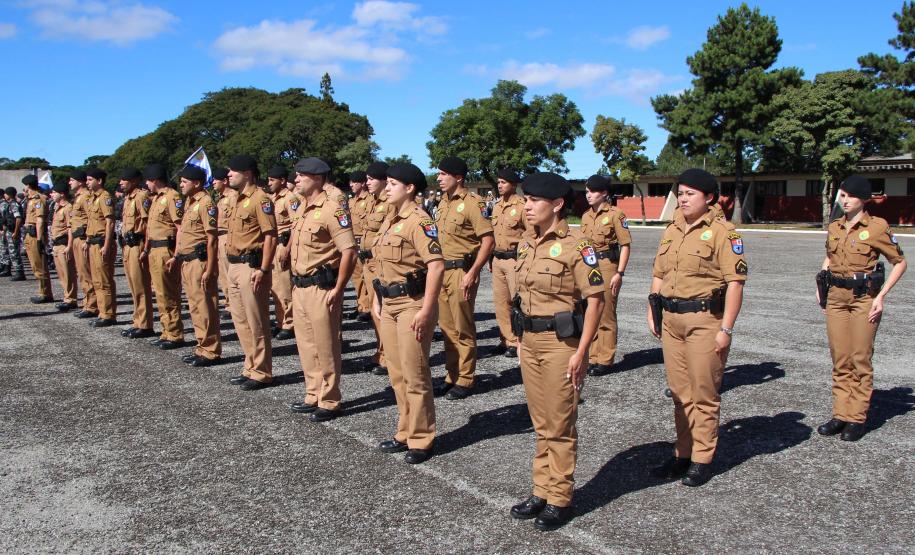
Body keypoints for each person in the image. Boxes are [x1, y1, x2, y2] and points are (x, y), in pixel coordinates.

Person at [508, 172, 604, 531]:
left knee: (560, 422)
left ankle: (560, 497)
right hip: (529, 342)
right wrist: (519, 339)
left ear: (557, 204)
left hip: (561, 345)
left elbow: (595, 302)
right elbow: (522, 299)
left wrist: (583, 352)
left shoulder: (577, 246)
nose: (526, 206)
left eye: (533, 201)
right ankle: (541, 489)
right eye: (525, 200)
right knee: (540, 421)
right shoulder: (525, 243)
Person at [648, 168, 747, 487]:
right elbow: (660, 273)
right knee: (679, 393)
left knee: (704, 392)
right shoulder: (672, 229)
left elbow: (735, 284)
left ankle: (702, 459)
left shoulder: (724, 233)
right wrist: (653, 306)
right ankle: (682, 453)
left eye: (691, 193)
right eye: (681, 192)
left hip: (706, 321)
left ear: (709, 198)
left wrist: (726, 329)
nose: (683, 198)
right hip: (672, 320)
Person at [816, 175, 907, 442]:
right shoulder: (835, 227)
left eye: (851, 196)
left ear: (863, 200)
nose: (845, 200)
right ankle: (840, 414)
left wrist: (882, 296)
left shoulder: (877, 227)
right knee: (840, 358)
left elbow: (899, 262)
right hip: (836, 298)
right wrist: (822, 285)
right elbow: (830, 258)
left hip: (863, 298)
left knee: (860, 359)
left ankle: (856, 418)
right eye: (842, 195)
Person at [369, 163, 444, 464]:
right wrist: (377, 298)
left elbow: (436, 265)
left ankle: (422, 438)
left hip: (412, 304)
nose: (386, 188)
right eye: (386, 183)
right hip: (389, 304)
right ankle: (404, 430)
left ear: (410, 188)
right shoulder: (391, 219)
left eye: (391, 183)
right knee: (397, 373)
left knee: (415, 373)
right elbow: (382, 266)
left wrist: (427, 309)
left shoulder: (419, 221)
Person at [287, 157, 357, 422]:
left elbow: (349, 251)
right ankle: (313, 393)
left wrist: (339, 289)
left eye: (300, 176)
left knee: (326, 346)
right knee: (306, 345)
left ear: (316, 178)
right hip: (300, 287)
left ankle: (330, 400)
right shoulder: (303, 208)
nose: (296, 180)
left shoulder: (332, 210)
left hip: (320, 287)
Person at [433, 156, 494, 400]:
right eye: (438, 174)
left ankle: (466, 378)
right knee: (447, 329)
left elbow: (488, 240)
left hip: (461, 272)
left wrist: (473, 272)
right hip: (442, 272)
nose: (439, 178)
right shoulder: (442, 203)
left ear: (458, 177)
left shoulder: (472, 203)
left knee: (463, 328)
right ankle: (452, 375)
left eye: (443, 174)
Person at [224, 155, 278, 391]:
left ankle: (262, 371)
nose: (228, 176)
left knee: (256, 321)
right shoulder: (236, 199)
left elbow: (270, 236)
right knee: (240, 320)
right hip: (233, 265)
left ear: (247, 174)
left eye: (232, 172)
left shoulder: (260, 199)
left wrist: (264, 269)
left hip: (251, 266)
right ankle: (250, 366)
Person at [580, 175, 632, 375]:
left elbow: (625, 245)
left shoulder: (615, 215)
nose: (588, 195)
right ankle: (592, 356)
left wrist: (619, 273)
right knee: (590, 312)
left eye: (592, 191)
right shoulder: (585, 216)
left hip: (608, 266)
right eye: (586, 191)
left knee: (607, 314)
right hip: (589, 266)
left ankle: (605, 359)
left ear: (604, 193)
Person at [172, 165, 222, 367]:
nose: (181, 185)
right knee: (195, 306)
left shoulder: (206, 203)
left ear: (197, 183)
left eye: (184, 182)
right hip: (187, 261)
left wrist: (210, 268)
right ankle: (201, 346)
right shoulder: (189, 203)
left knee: (205, 306)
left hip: (200, 262)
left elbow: (212, 239)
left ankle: (210, 350)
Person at [143, 164, 185, 349]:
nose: (146, 184)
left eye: (148, 181)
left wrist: (176, 255)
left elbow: (180, 227)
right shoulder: (155, 199)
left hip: (165, 250)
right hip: (154, 249)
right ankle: (166, 331)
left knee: (169, 293)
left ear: (155, 180)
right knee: (159, 293)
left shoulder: (172, 197)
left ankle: (175, 334)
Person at [489, 168, 527, 358]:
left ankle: (520, 341)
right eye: (498, 182)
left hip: (514, 260)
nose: (500, 185)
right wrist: (490, 258)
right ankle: (506, 340)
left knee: (517, 302)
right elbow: (493, 235)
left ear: (513, 184)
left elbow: (530, 235)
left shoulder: (522, 206)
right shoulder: (496, 206)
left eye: (503, 182)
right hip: (498, 259)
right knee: (500, 303)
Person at [358, 161, 390, 375]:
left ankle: (388, 356)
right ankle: (380, 351)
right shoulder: (373, 201)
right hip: (367, 264)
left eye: (371, 179)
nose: (367, 183)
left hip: (379, 264)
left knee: (383, 311)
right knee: (373, 311)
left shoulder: (389, 203)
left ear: (383, 181)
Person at [118, 167, 155, 339]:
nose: (120, 183)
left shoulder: (141, 196)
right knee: (133, 286)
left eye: (123, 180)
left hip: (138, 244)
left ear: (133, 181)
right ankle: (138, 321)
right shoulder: (128, 199)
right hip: (127, 245)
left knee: (141, 286)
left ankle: (146, 324)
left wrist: (146, 248)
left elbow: (148, 223)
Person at [84, 167, 118, 327]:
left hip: (101, 243)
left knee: (104, 280)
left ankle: (108, 314)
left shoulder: (105, 197)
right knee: (96, 280)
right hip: (93, 242)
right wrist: (87, 240)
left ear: (100, 181)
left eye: (90, 180)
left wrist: (106, 245)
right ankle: (102, 311)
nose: (87, 182)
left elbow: (110, 223)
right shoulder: (93, 198)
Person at [266, 165, 296, 340]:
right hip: (273, 245)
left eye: (272, 180)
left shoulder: (290, 199)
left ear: (282, 181)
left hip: (284, 245)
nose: (269, 183)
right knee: (275, 287)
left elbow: (295, 225)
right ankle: (280, 321)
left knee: (285, 287)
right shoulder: (272, 198)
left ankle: (289, 323)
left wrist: (288, 249)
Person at [68, 170, 97, 316]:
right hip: (76, 238)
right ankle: (87, 303)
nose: (69, 182)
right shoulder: (78, 197)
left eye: (72, 180)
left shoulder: (85, 196)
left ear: (80, 182)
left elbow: (90, 218)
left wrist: (87, 239)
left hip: (83, 238)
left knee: (86, 273)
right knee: (81, 273)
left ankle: (92, 306)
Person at [22, 175, 53, 303]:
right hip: (29, 234)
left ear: (28, 186)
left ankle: (45, 293)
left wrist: (40, 240)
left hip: (36, 235)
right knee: (35, 265)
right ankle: (43, 291)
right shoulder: (30, 199)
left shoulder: (38, 199)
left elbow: (40, 221)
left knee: (39, 265)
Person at [48, 182, 77, 311]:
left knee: (67, 273)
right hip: (56, 244)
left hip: (64, 244)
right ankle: (66, 297)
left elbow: (70, 228)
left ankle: (70, 299)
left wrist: (69, 246)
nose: (51, 194)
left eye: (54, 192)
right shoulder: (56, 207)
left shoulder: (68, 208)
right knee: (61, 274)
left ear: (62, 194)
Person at [348, 170, 372, 320]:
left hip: (364, 243)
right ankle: (361, 305)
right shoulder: (351, 201)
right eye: (350, 182)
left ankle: (368, 307)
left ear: (363, 183)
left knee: (367, 276)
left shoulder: (370, 200)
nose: (351, 184)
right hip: (353, 243)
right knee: (356, 277)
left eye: (354, 182)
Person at [212, 167, 235, 319]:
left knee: (230, 273)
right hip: (219, 237)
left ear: (225, 181)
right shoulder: (220, 198)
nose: (213, 183)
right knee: (223, 274)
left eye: (216, 180)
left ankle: (233, 305)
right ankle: (229, 303)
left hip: (228, 236)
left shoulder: (233, 197)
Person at [3, 187, 24, 281]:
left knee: (14, 252)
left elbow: (18, 218)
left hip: (13, 231)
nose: (4, 195)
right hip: (10, 231)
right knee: (12, 252)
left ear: (9, 194)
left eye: (6, 194)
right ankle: (17, 271)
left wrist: (15, 232)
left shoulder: (13, 204)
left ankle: (19, 272)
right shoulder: (10, 204)